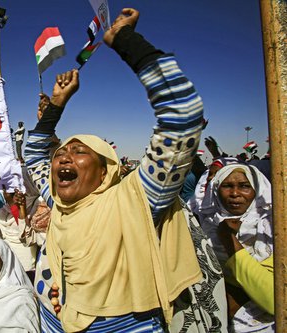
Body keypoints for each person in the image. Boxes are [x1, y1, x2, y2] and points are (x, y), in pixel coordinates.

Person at [24, 8, 204, 332]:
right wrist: (56, 107)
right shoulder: (57, 200)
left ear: (106, 169)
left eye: (79, 152)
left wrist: (125, 39)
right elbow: (34, 152)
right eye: (62, 151)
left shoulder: (135, 200)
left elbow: (182, 116)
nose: (63, 157)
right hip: (52, 320)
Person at [197, 164, 274, 331]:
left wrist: (229, 241)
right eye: (227, 186)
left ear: (258, 190)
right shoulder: (205, 226)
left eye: (245, 186)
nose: (234, 194)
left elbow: (275, 299)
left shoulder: (273, 230)